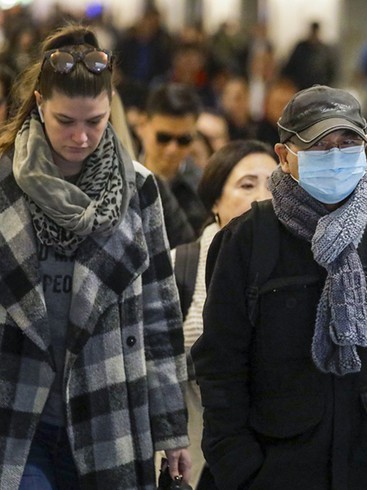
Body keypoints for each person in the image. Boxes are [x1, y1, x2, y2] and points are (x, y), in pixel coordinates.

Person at [191, 84, 367, 490]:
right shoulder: (247, 240)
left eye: (347, 143)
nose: (335, 156)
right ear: (284, 155)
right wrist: (241, 467)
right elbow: (220, 365)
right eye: (318, 145)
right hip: (277, 472)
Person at [0, 24, 190, 489]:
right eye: (66, 121)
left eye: (95, 121)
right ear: (40, 103)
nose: (81, 137)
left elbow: (159, 314)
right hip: (15, 408)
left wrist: (172, 429)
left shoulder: (138, 189)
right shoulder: (5, 184)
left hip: (108, 409)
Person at [172, 139, 277, 490]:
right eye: (247, 185)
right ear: (215, 200)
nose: (263, 197)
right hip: (192, 454)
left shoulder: (298, 268)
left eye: (275, 185)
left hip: (271, 458)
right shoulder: (180, 265)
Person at [138, 82, 209, 243]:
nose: (172, 149)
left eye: (184, 140)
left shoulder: (203, 188)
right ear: (142, 126)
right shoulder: (123, 176)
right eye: (163, 138)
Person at [281, 22, 337, 90]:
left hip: (319, 88)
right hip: (301, 87)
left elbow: (331, 70)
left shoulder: (324, 50)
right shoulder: (301, 48)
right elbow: (291, 66)